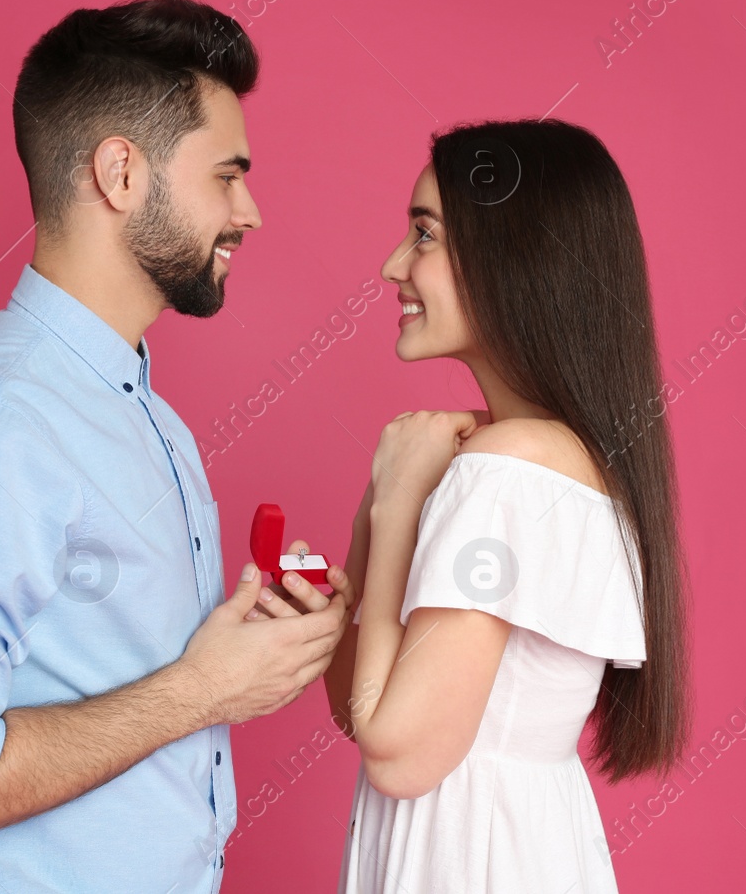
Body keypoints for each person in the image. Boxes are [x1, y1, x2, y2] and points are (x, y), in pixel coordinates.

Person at [0, 0, 353, 894]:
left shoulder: (145, 411)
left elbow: (114, 658)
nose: (251, 212)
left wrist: (251, 639)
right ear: (122, 174)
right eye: (226, 175)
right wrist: (202, 691)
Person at [261, 119, 690, 891]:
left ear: (514, 260)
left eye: (424, 233)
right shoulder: (547, 458)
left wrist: (394, 504)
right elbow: (361, 704)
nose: (394, 263)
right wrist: (375, 520)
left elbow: (394, 749)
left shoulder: (508, 471)